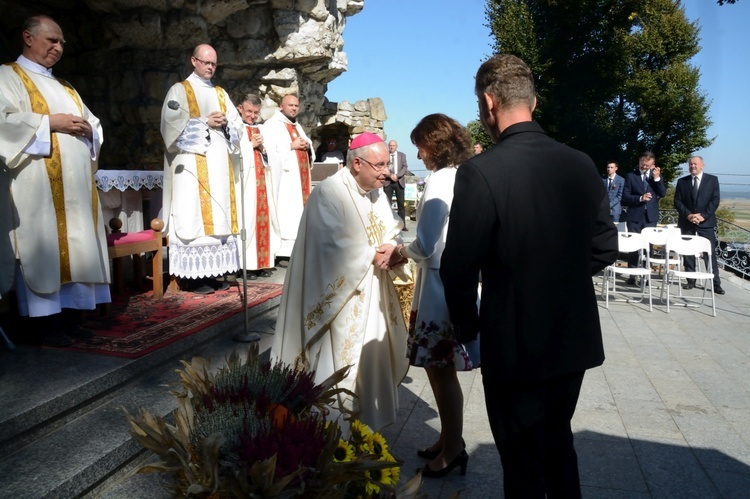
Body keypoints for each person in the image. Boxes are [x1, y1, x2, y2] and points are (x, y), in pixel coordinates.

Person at [439, 54, 618, 498]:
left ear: (488, 102)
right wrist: (559, 277)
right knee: (559, 443)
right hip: (571, 336)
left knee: (521, 460)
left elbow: (459, 267)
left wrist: (468, 326)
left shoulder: (481, 171)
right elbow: (604, 246)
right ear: (533, 103)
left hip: (514, 337)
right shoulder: (580, 163)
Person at [271, 132, 409, 432]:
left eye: (386, 164)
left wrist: (395, 250)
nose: (386, 171)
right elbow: (330, 248)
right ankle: (336, 436)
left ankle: (370, 432)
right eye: (380, 165)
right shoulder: (330, 193)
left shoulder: (376, 192)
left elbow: (388, 231)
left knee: (373, 362)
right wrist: (374, 255)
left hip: (376, 296)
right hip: (344, 301)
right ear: (357, 163)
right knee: (344, 366)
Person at [0, 15, 111, 346]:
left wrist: (90, 130)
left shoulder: (66, 86)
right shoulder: (8, 76)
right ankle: (43, 325)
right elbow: (4, 123)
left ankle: (71, 320)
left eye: (62, 42)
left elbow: (94, 124)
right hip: (37, 192)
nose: (59, 47)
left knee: (76, 248)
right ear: (28, 37)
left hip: (74, 191)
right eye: (52, 40)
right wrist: (49, 122)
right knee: (45, 250)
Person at [401, 114, 474, 478]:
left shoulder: (442, 179)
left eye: (421, 145)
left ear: (435, 144)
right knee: (439, 369)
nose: (419, 154)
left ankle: (453, 448)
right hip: (455, 276)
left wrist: (399, 250)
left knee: (440, 369)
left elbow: (426, 242)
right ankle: (447, 438)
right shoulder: (464, 173)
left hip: (438, 280)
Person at [160, 44, 243, 294]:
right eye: (206, 62)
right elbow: (169, 128)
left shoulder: (220, 93)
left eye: (214, 64)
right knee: (193, 214)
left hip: (218, 166)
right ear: (193, 61)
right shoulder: (179, 90)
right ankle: (193, 278)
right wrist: (204, 122)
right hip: (191, 166)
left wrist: (228, 123)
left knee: (219, 214)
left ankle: (214, 271)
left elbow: (238, 127)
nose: (210, 67)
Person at [263, 94, 315, 263]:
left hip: (301, 180)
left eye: (296, 105)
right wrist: (290, 146)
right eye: (290, 105)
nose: (293, 108)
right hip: (285, 181)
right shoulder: (272, 125)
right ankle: (284, 252)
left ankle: (299, 249)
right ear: (281, 106)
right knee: (287, 214)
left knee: (299, 213)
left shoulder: (297, 126)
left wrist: (307, 148)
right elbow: (268, 152)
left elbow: (309, 148)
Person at [235, 93, 279, 280]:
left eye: (256, 112)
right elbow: (230, 156)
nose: (252, 116)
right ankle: (247, 265)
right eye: (249, 111)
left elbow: (275, 156)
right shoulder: (234, 128)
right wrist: (250, 146)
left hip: (262, 183)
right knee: (248, 221)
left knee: (263, 221)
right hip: (244, 185)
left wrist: (264, 150)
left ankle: (263, 263)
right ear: (240, 109)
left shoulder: (263, 129)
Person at [674, 155, 725, 294]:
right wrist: (689, 215)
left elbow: (715, 200)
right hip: (687, 222)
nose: (693, 166)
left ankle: (716, 283)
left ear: (702, 165)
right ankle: (690, 280)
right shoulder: (682, 182)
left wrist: (702, 216)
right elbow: (677, 202)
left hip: (706, 222)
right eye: (690, 164)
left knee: (709, 253)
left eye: (695, 164)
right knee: (688, 251)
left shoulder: (712, 180)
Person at [622, 152, 666, 278]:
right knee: (634, 244)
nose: (644, 166)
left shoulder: (656, 177)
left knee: (649, 246)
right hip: (635, 215)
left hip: (650, 217)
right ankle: (632, 274)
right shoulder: (631, 176)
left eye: (647, 164)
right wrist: (640, 198)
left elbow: (662, 193)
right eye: (642, 163)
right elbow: (625, 196)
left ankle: (645, 275)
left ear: (653, 164)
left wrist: (657, 179)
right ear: (639, 162)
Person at [385, 140, 409, 230]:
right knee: (387, 204)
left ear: (397, 146)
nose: (392, 147)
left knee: (401, 204)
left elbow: (405, 167)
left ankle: (402, 224)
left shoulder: (402, 155)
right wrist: (390, 175)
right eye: (390, 145)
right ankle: (388, 224)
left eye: (393, 145)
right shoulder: (385, 155)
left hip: (399, 182)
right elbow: (383, 167)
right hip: (388, 182)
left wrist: (397, 175)